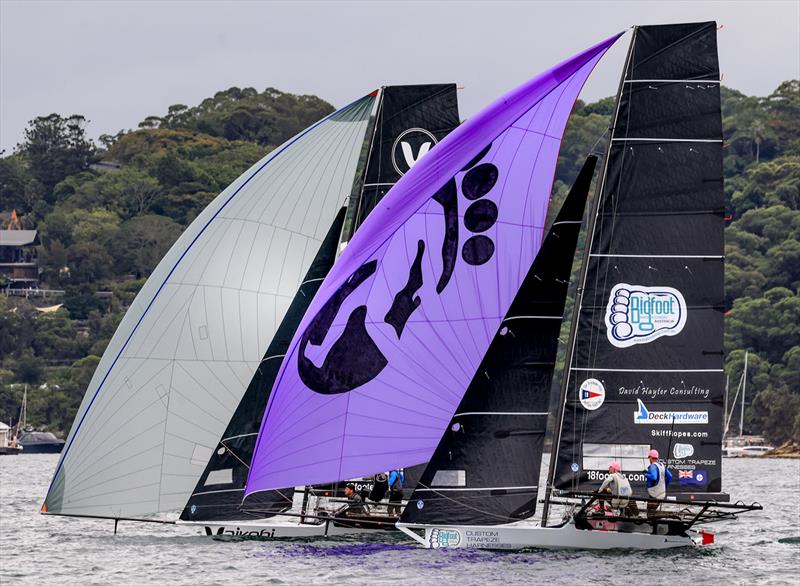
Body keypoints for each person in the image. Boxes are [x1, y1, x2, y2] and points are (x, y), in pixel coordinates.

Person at [644, 449, 672, 518]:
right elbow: (670, 476)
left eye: (649, 458)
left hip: (655, 495)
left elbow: (654, 477)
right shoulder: (662, 465)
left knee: (649, 515)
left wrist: (645, 474)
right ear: (657, 457)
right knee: (653, 513)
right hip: (662, 494)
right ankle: (657, 522)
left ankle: (662, 520)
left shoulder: (653, 466)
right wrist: (665, 486)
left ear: (650, 458)